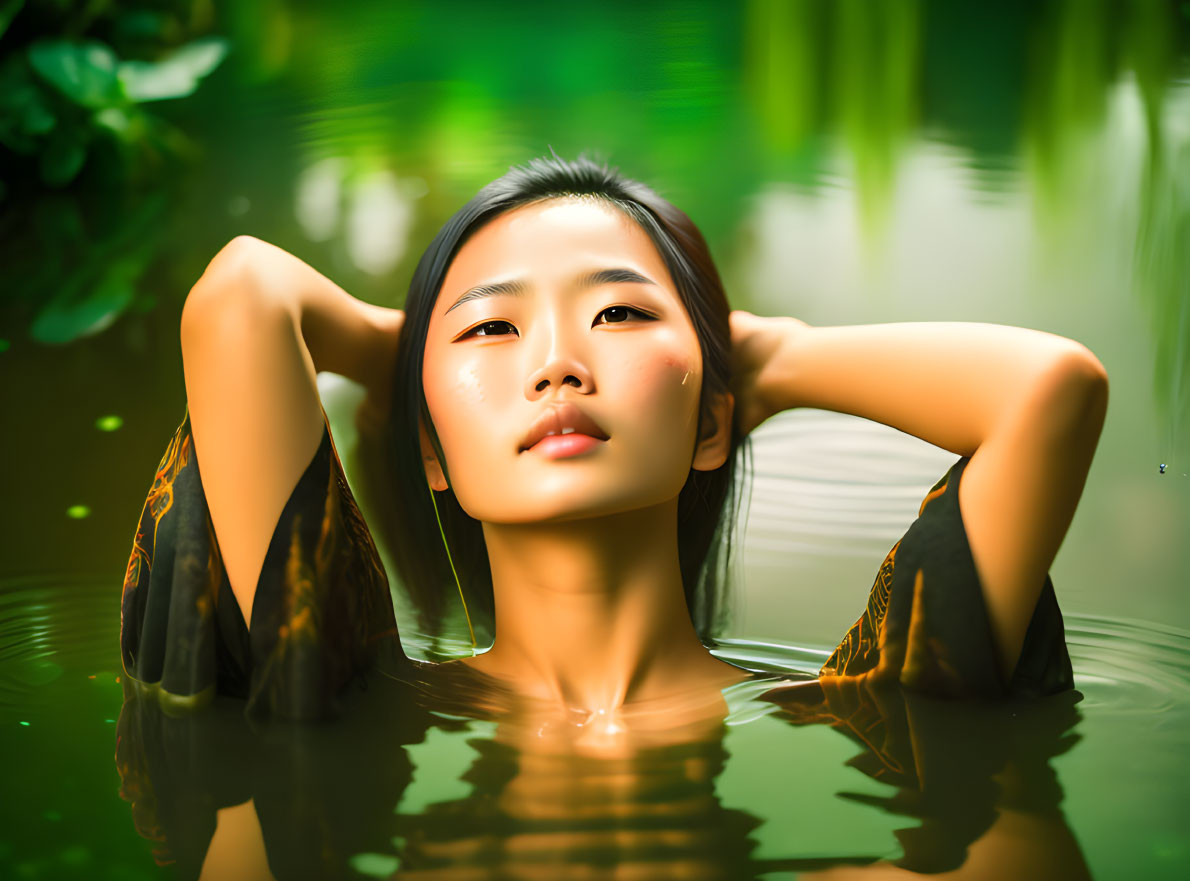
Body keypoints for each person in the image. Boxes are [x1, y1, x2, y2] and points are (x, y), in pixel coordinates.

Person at [119, 154, 1109, 728]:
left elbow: (1047, 388)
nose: (555, 364)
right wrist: (416, 355)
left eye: (621, 316)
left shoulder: (854, 706)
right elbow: (243, 295)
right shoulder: (356, 692)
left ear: (713, 418)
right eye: (493, 329)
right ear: (430, 450)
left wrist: (755, 357)